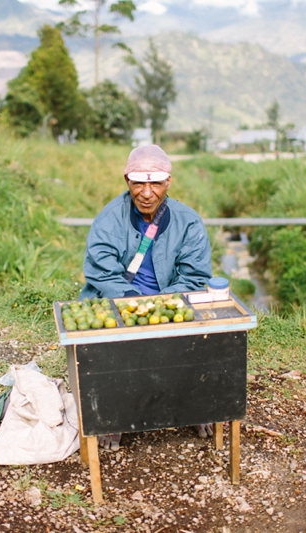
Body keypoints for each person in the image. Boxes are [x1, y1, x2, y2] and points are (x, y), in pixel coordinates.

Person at [79, 144, 214, 451]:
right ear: (127, 181)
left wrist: (160, 303)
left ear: (168, 182)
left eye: (155, 183)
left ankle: (197, 404)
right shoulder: (109, 219)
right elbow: (101, 271)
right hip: (121, 299)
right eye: (139, 183)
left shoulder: (188, 222)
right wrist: (131, 300)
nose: (146, 192)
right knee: (109, 352)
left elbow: (194, 277)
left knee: (200, 341)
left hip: (169, 300)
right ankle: (113, 416)